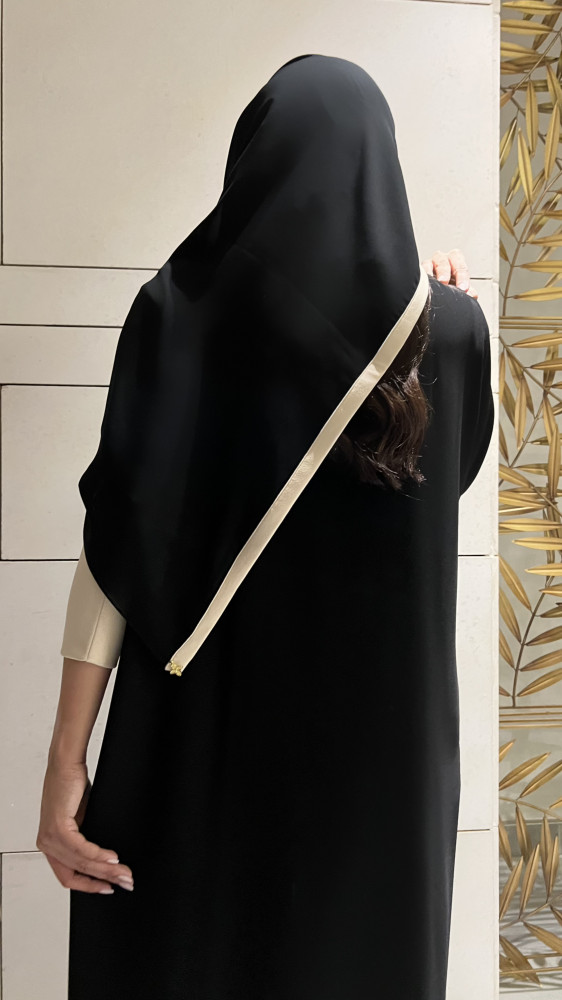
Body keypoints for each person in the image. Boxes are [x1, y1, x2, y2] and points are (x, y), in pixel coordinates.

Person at [37, 54, 494, 1000]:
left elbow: (117, 546)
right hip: (383, 781)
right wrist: (445, 311)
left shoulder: (178, 315)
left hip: (201, 757)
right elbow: (443, 484)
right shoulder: (450, 335)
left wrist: (65, 762)